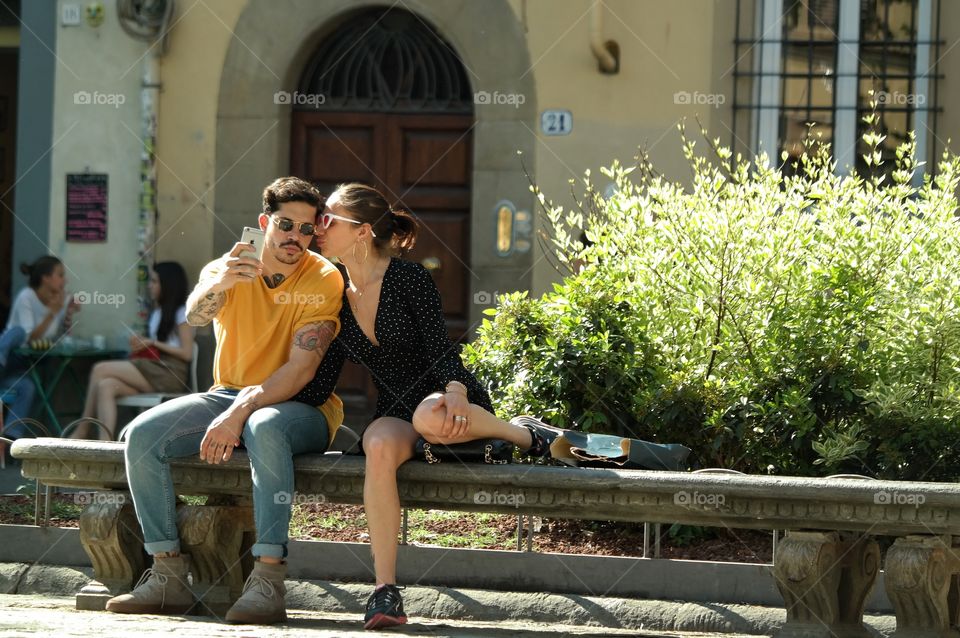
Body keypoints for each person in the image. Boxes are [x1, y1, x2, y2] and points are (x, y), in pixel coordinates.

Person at [309, 183, 553, 630]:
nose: (318, 227)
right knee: (379, 443)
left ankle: (524, 435)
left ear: (361, 231)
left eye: (329, 219)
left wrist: (456, 389)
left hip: (449, 397)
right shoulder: (332, 289)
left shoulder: (408, 278)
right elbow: (324, 376)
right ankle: (385, 591)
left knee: (429, 416)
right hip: (398, 410)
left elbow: (441, 349)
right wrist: (260, 405)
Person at [105, 177, 344, 625]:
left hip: (301, 407)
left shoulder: (323, 276)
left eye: (307, 229)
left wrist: (240, 412)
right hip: (225, 394)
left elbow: (300, 370)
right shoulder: (228, 265)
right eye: (286, 224)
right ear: (263, 222)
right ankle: (168, 575)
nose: (296, 237)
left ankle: (269, 579)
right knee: (141, 435)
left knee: (264, 425)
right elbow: (196, 316)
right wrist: (224, 283)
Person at [69, 262, 195, 440]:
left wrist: (153, 343)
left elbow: (187, 353)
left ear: (168, 284)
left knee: (100, 369)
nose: (150, 286)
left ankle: (82, 430)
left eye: (154, 281)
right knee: (106, 386)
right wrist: (142, 344)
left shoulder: (182, 313)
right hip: (153, 370)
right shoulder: (158, 312)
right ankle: (104, 446)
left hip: (170, 374)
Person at [0, 256, 80, 438]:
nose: (65, 280)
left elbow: (58, 337)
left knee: (28, 387)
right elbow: (30, 337)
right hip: (11, 358)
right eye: (60, 275)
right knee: (18, 331)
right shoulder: (26, 297)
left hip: (27, 366)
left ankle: (11, 438)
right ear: (46, 278)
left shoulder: (61, 301)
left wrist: (68, 311)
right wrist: (52, 312)